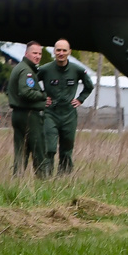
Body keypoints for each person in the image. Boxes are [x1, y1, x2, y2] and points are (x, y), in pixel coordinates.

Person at [39, 39, 95, 174]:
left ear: (69, 52)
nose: (61, 53)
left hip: (69, 115)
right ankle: (45, 177)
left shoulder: (77, 70)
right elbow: (30, 84)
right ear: (54, 51)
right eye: (58, 50)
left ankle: (64, 177)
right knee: (50, 148)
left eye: (64, 50)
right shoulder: (45, 69)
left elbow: (89, 86)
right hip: (50, 113)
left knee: (66, 149)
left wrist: (80, 99)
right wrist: (41, 98)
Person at [7, 41, 51, 177]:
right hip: (29, 115)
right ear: (26, 53)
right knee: (39, 149)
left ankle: (17, 181)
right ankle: (43, 181)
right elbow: (25, 91)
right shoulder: (27, 71)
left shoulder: (20, 67)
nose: (37, 56)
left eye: (39, 54)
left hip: (18, 114)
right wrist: (43, 96)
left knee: (21, 151)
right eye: (34, 53)